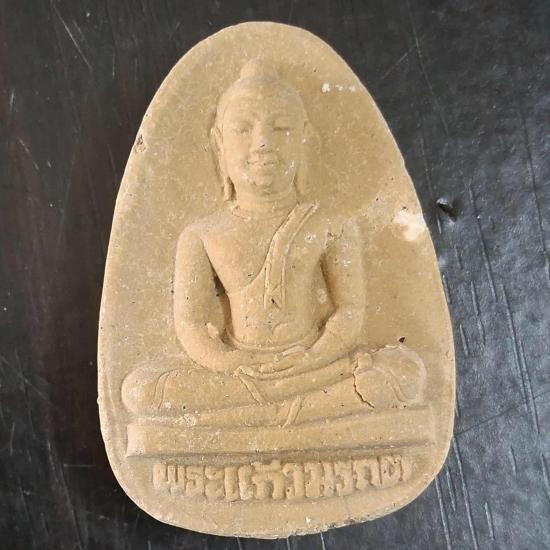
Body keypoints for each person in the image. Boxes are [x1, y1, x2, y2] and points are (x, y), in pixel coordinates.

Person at [122, 60, 425, 428]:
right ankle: (304, 413)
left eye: (281, 128)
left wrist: (313, 357)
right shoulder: (201, 235)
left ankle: (254, 418)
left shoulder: (332, 226)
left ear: (304, 140)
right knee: (141, 391)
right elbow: (190, 324)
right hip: (241, 374)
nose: (262, 143)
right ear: (219, 145)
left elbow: (349, 311)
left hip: (314, 366)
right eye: (243, 129)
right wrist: (230, 362)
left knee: (407, 372)